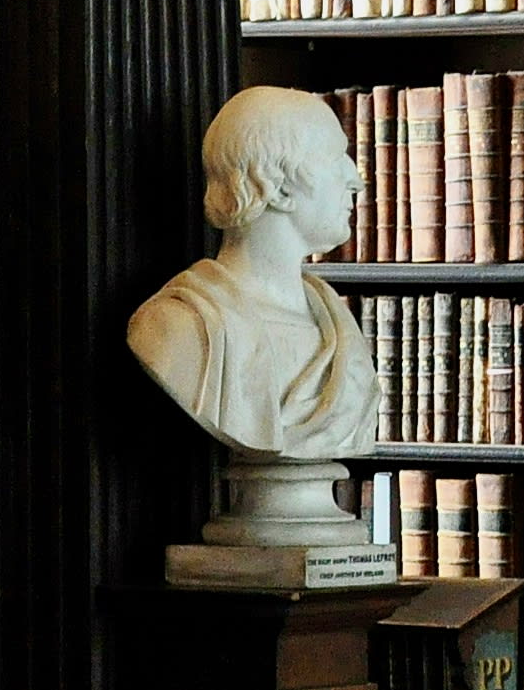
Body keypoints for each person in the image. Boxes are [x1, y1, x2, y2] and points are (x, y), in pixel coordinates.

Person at [126, 84, 376, 461]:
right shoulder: (177, 327)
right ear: (276, 185)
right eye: (335, 156)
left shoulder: (339, 328)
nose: (355, 178)